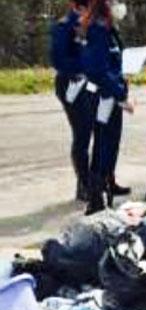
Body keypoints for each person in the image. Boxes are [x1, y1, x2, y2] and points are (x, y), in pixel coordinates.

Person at [81, 0, 134, 215]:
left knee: (108, 146)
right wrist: (120, 95)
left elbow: (113, 64)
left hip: (109, 96)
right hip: (102, 97)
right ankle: (96, 201)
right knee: (103, 146)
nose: (119, 5)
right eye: (114, 1)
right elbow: (99, 71)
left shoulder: (109, 29)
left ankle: (103, 194)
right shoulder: (97, 30)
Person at [50, 0, 93, 202]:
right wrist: (85, 64)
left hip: (92, 83)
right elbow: (58, 60)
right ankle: (84, 184)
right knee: (82, 133)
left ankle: (95, 180)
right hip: (71, 84)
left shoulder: (95, 23)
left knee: (94, 131)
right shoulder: (64, 26)